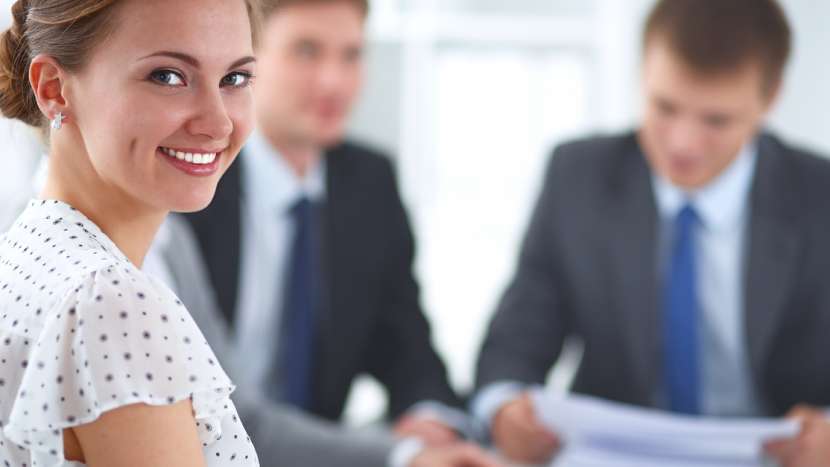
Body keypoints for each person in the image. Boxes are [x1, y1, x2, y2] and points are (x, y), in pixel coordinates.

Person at [472, 0, 830, 466]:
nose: (682, 143)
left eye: (715, 120)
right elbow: (515, 342)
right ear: (642, 73)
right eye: (664, 107)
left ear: (770, 98)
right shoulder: (578, 178)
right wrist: (503, 409)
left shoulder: (819, 197)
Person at [148, 1, 502, 467]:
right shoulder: (185, 177)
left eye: (351, 55)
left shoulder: (369, 184)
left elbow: (406, 345)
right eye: (306, 51)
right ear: (244, 63)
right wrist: (401, 454)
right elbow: (216, 410)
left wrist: (428, 419)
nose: (334, 81)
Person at [0, 0, 260, 465]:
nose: (218, 122)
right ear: (54, 88)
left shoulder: (28, 249)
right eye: (168, 76)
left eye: (234, 79)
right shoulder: (109, 303)